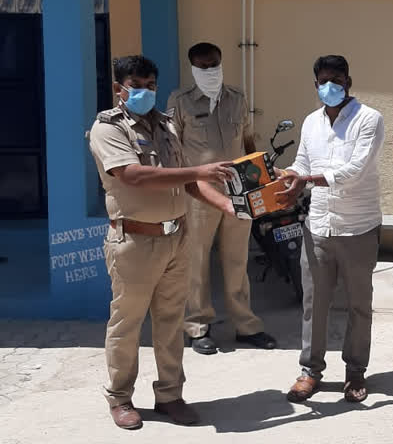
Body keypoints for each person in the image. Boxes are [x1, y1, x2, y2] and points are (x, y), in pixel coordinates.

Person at [88, 55, 237, 429]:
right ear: (119, 89)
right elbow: (133, 174)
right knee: (127, 323)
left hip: (176, 237)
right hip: (135, 241)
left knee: (171, 322)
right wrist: (201, 169)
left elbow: (186, 182)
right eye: (136, 85)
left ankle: (170, 394)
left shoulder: (168, 125)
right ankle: (120, 398)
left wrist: (226, 204)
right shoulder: (108, 128)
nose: (145, 91)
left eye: (151, 85)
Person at [276, 54, 384, 404]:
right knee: (314, 304)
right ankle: (310, 371)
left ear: (348, 82)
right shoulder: (311, 123)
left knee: (358, 305)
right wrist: (289, 176)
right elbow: (303, 163)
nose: (330, 86)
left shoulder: (369, 119)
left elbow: (355, 169)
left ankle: (355, 373)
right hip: (319, 225)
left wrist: (304, 179)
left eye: (337, 79)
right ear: (316, 84)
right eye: (323, 80)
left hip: (359, 227)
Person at [167, 42, 277, 355]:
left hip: (239, 190)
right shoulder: (180, 101)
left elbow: (247, 140)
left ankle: (246, 325)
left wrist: (261, 182)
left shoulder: (237, 99)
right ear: (192, 68)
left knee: (237, 258)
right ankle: (197, 326)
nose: (210, 70)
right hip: (199, 192)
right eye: (203, 66)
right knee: (196, 259)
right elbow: (173, 148)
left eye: (214, 64)